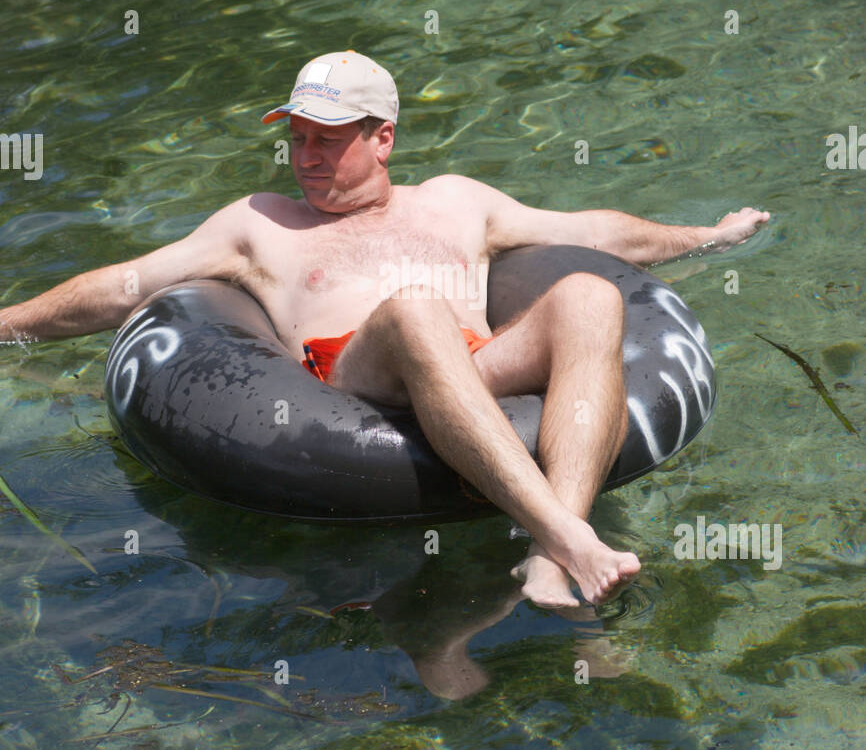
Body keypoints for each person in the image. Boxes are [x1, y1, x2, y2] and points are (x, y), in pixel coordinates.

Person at [0, 50, 769, 610]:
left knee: (592, 297)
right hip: (355, 385)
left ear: (383, 137)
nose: (305, 157)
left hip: (474, 365)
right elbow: (125, 284)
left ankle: (546, 557)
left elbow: (595, 230)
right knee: (415, 308)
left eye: (326, 139)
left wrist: (704, 236)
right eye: (296, 137)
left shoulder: (457, 201)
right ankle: (571, 537)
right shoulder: (258, 224)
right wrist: (9, 325)